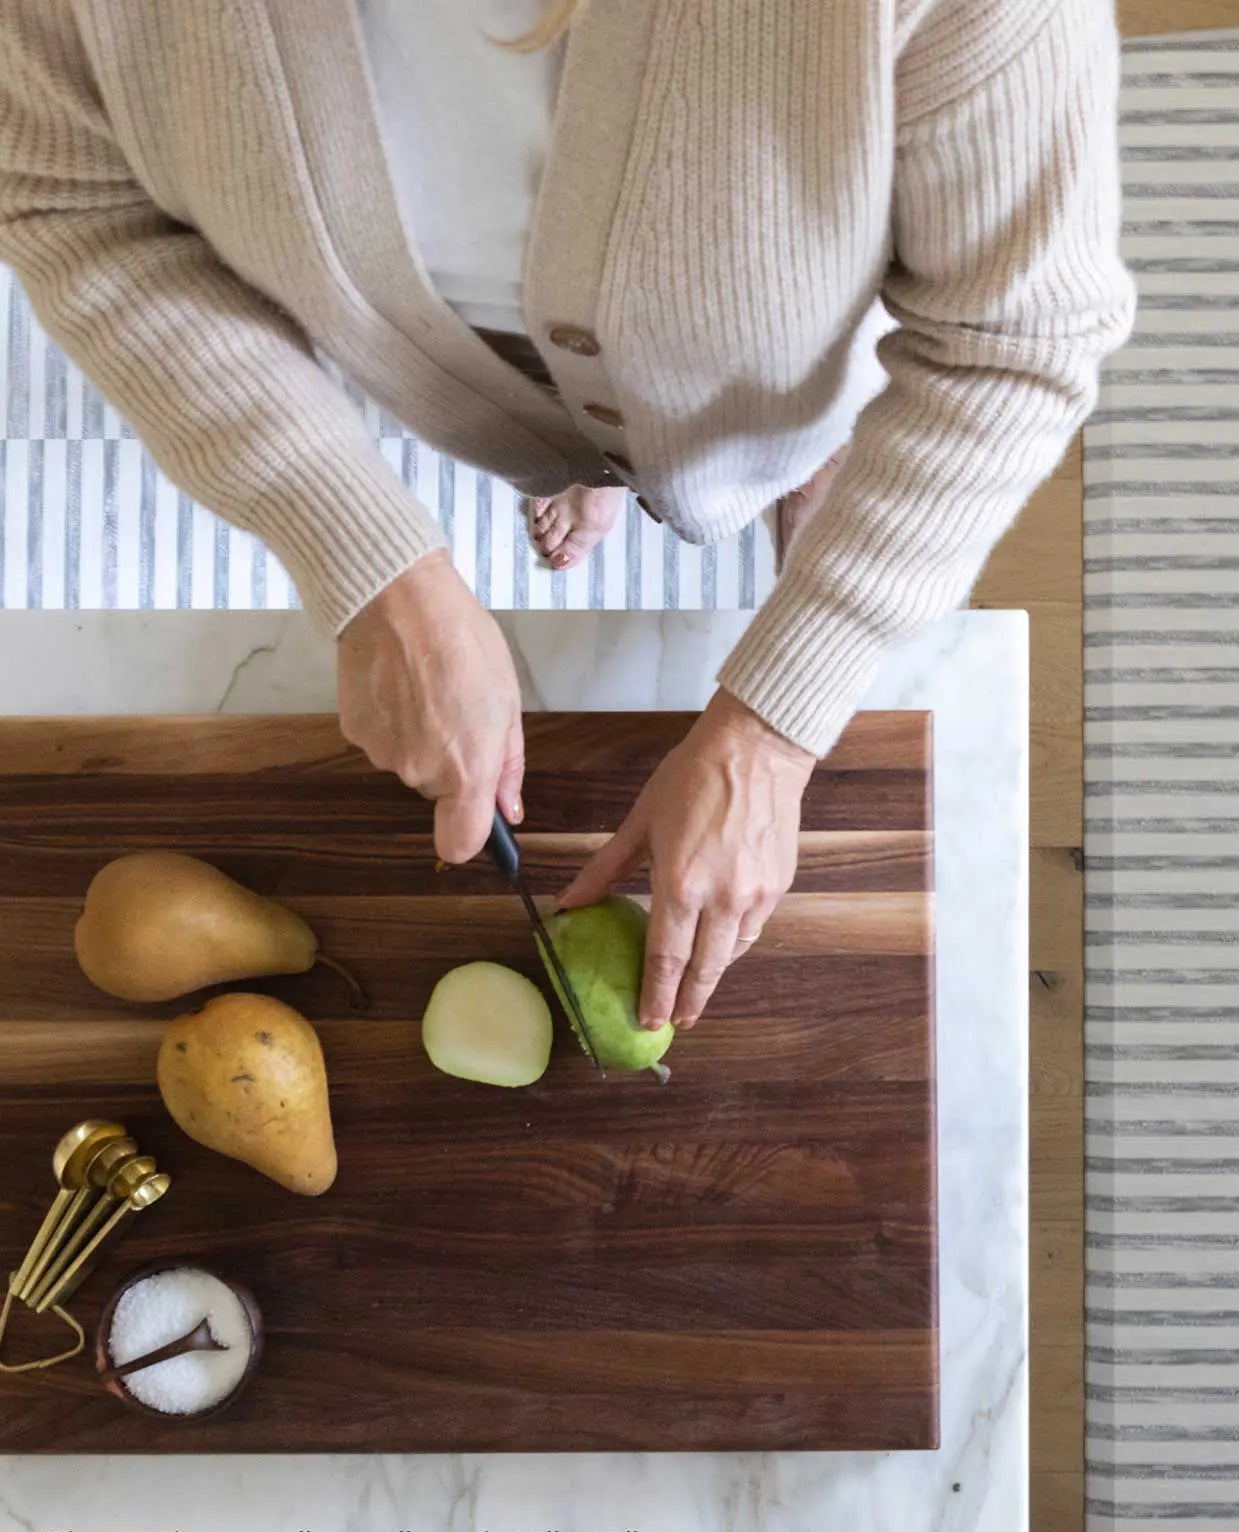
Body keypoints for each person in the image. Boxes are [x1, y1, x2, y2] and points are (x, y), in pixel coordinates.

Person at [0, 0, 1135, 1031]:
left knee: (800, 456)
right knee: (569, 436)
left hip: (787, 390)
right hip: (478, 385)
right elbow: (63, 193)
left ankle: (770, 457)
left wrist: (775, 729)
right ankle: (599, 453)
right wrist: (369, 561)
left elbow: (1011, 341)